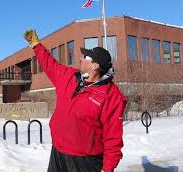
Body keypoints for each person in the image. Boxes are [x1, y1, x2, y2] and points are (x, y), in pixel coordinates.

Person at [24, 29, 127, 172]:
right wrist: (36, 45)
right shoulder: (68, 76)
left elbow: (113, 136)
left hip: (85, 161)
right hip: (58, 152)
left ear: (95, 66)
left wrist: (107, 168)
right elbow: (49, 64)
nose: (81, 59)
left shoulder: (111, 95)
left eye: (86, 57)